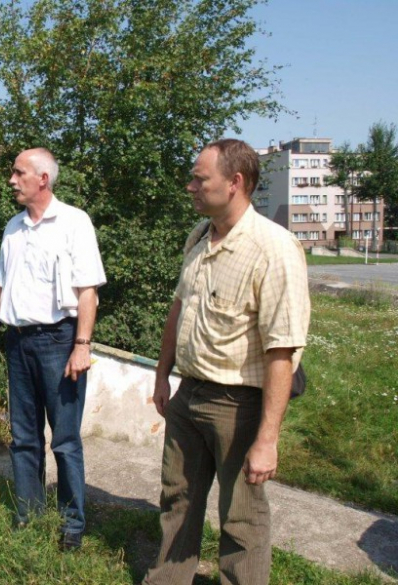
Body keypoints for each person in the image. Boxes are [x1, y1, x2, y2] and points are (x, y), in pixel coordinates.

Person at [143, 139, 310, 584]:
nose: (190, 186)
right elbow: (179, 310)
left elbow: (283, 351)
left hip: (239, 405)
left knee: (241, 518)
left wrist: (267, 439)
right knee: (177, 499)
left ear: (234, 183)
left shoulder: (273, 249)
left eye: (200, 178)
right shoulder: (199, 237)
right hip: (189, 393)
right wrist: (162, 376)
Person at [0, 147, 106, 551]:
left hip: (59, 342)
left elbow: (88, 293)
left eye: (19, 173)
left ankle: (72, 524)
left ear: (43, 179)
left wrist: (82, 345)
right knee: (24, 437)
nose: (11, 180)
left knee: (64, 440)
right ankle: (27, 515)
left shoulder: (73, 222)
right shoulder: (13, 226)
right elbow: (0, 285)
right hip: (17, 343)